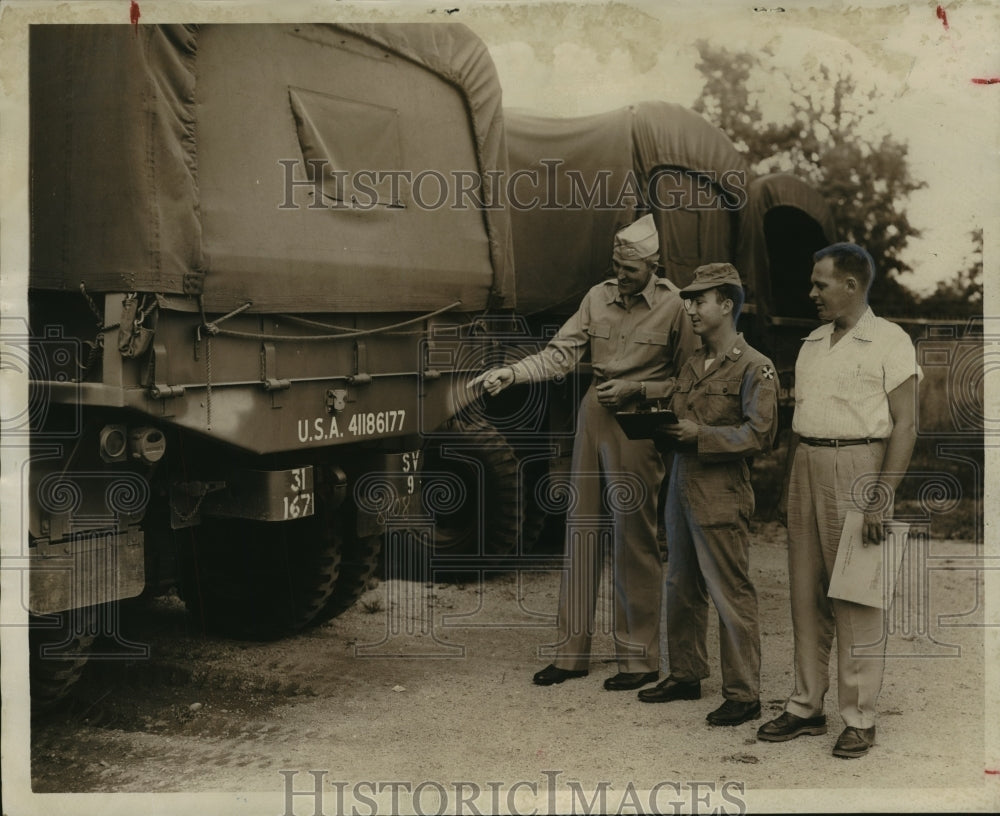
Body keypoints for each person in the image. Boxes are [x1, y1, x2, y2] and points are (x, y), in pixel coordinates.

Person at [471, 214, 695, 691]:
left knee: (635, 536)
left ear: (652, 265)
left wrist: (638, 387)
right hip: (593, 413)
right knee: (581, 531)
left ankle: (638, 660)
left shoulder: (676, 306)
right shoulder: (597, 297)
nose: (622, 274)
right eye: (617, 265)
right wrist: (512, 374)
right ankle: (571, 654)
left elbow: (689, 380)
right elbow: (560, 352)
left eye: (631, 268)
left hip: (638, 421)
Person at [756, 242, 921, 758]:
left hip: (859, 468)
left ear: (851, 285)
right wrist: (789, 486)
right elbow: (800, 424)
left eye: (820, 284)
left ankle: (860, 716)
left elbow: (907, 424)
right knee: (805, 595)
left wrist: (881, 494)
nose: (812, 293)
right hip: (807, 465)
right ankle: (806, 705)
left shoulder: (890, 341)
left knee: (856, 594)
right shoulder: (811, 343)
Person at [636, 263, 778, 727]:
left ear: (727, 305)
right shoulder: (693, 363)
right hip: (681, 481)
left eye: (699, 300)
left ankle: (743, 693)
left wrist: (699, 435)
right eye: (689, 299)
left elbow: (760, 435)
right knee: (680, 583)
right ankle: (686, 673)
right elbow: (681, 417)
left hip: (720, 489)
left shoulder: (755, 366)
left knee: (728, 588)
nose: (690, 307)